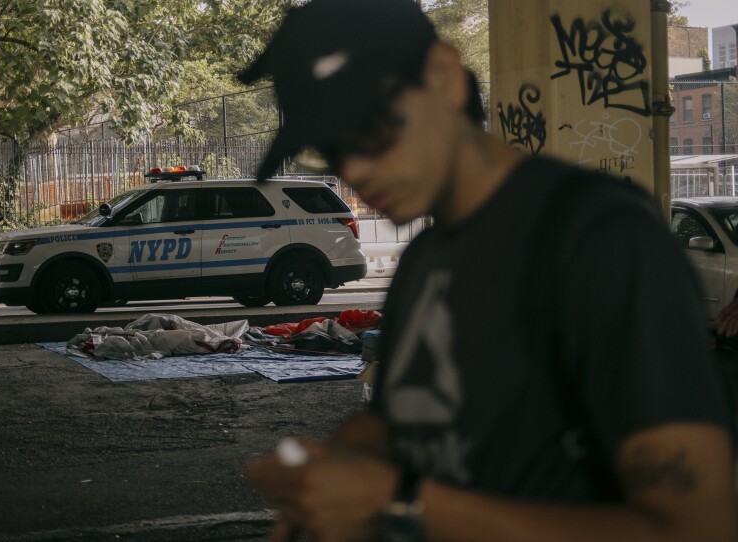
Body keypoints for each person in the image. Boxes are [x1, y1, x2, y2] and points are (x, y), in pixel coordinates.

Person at [239, 0, 738, 540]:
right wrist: (334, 464)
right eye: (333, 151)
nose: (356, 169)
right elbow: (405, 420)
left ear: (446, 77)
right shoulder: (427, 260)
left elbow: (698, 525)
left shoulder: (599, 240)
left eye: (373, 130)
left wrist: (403, 502)